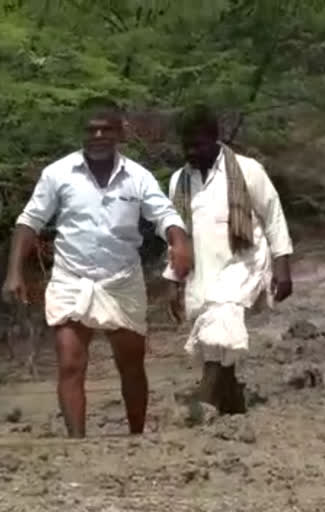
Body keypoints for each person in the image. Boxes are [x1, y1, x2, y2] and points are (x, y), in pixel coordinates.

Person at [2, 97, 192, 438]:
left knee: (131, 365)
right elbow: (29, 222)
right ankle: (78, 444)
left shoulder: (138, 176)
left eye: (107, 128)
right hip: (71, 280)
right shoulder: (58, 174)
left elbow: (165, 215)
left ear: (121, 131)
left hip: (121, 281)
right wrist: (15, 271)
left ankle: (136, 438)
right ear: (82, 133)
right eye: (92, 129)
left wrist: (178, 242)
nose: (99, 135)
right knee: (71, 364)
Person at [165, 104, 293, 414]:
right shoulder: (178, 182)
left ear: (215, 138)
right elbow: (176, 236)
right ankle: (232, 403)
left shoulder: (248, 170)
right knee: (214, 337)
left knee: (223, 320)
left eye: (198, 144)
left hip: (244, 263)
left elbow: (273, 216)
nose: (192, 151)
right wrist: (173, 279)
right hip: (202, 271)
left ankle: (204, 400)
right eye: (187, 145)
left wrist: (282, 265)